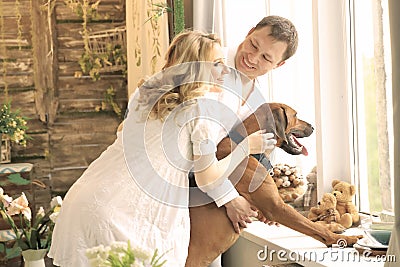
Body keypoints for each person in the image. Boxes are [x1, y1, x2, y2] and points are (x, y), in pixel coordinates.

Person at [48, 30, 277, 267]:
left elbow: (122, 133)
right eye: (217, 64)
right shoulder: (202, 110)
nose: (225, 71)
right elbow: (207, 178)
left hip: (86, 197)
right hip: (126, 217)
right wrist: (246, 146)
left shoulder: (146, 91)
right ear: (195, 68)